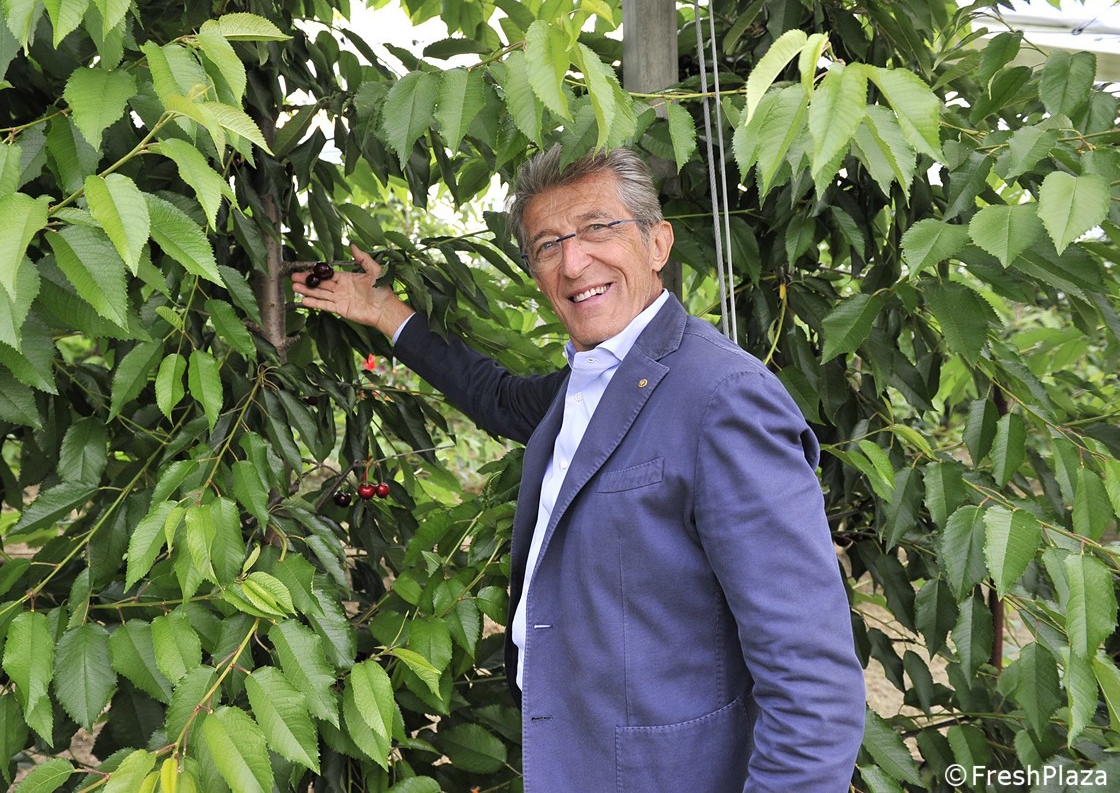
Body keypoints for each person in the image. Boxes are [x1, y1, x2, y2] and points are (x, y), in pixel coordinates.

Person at [292, 146, 865, 791]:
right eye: (547, 245)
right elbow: (497, 396)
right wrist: (384, 311)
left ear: (657, 243)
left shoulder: (721, 399)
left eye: (598, 228)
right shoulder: (586, 385)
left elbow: (812, 684)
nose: (573, 262)